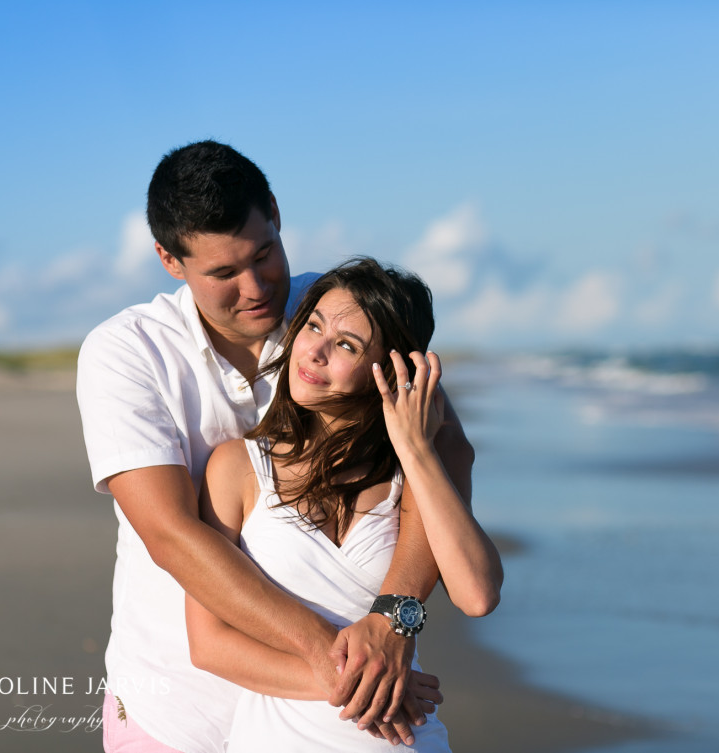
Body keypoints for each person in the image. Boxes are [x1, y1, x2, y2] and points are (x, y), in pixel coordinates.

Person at [77, 141, 474, 753]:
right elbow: (171, 533)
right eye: (223, 273)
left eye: (264, 255)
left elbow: (438, 450)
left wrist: (397, 617)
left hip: (341, 720)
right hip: (178, 705)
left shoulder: (333, 314)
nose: (257, 286)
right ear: (169, 259)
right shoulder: (127, 352)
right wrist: (342, 666)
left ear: (276, 214)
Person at [186, 257, 503, 751]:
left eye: (346, 345)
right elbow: (210, 646)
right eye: (312, 326)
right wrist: (361, 682)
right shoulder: (236, 467)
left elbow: (477, 594)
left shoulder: (417, 468)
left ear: (390, 369)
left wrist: (417, 449)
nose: (314, 352)